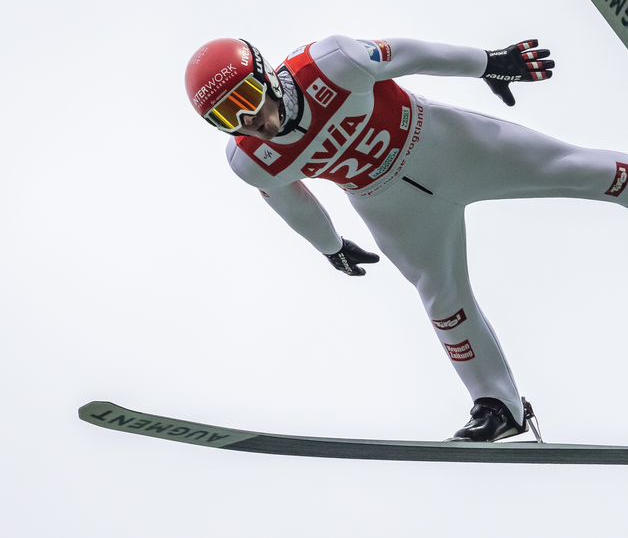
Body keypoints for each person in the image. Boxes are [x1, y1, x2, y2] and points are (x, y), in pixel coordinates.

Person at [184, 35, 628, 442]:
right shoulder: (250, 161)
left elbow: (415, 55)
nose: (249, 120)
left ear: (265, 75)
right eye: (226, 116)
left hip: (447, 145)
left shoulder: (330, 63)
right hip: (390, 204)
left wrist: (490, 63)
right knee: (441, 297)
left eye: (246, 98)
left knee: (573, 168)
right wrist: (331, 245)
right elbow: (291, 202)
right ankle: (498, 406)